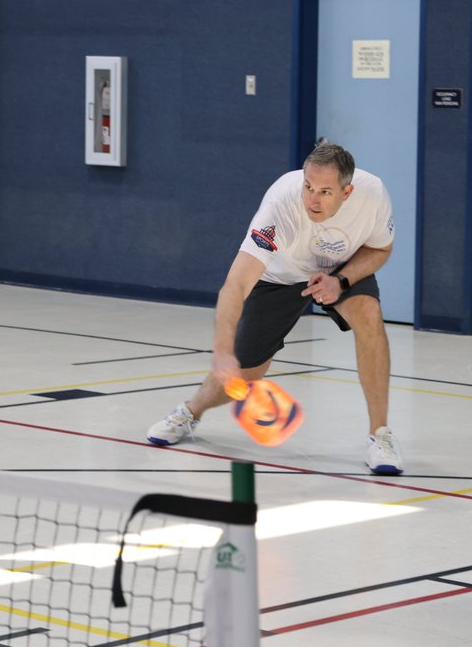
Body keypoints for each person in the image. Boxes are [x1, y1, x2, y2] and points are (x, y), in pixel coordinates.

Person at [145, 141, 404, 475]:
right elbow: (235, 286)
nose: (313, 198)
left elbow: (380, 249)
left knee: (370, 317)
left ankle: (380, 434)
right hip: (280, 276)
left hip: (339, 269)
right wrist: (223, 351)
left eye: (325, 191)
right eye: (308, 187)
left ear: (347, 191)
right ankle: (190, 411)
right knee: (244, 373)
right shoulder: (280, 206)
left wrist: (341, 281)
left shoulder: (373, 195)